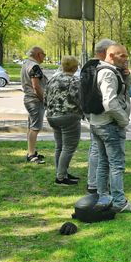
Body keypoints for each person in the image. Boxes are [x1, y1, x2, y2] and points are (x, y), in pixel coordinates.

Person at [91, 43, 131, 213]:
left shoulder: (102, 69)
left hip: (98, 123)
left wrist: (126, 76)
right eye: (123, 56)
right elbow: (110, 103)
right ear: (111, 56)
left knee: (104, 162)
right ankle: (119, 202)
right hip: (109, 125)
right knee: (116, 165)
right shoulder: (108, 73)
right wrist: (124, 120)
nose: (126, 59)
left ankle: (103, 196)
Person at [44, 56, 82, 185]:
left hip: (52, 116)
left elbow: (45, 97)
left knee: (59, 146)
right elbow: (79, 99)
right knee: (69, 147)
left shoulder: (53, 79)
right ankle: (61, 177)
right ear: (75, 67)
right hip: (69, 116)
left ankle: (61, 172)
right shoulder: (75, 81)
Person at [21, 46, 49, 164]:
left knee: (31, 127)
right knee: (35, 128)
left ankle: (30, 151)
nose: (44, 56)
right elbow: (36, 86)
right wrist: (44, 100)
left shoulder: (26, 63)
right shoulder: (35, 66)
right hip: (35, 100)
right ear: (38, 54)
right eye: (44, 54)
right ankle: (32, 155)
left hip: (28, 99)